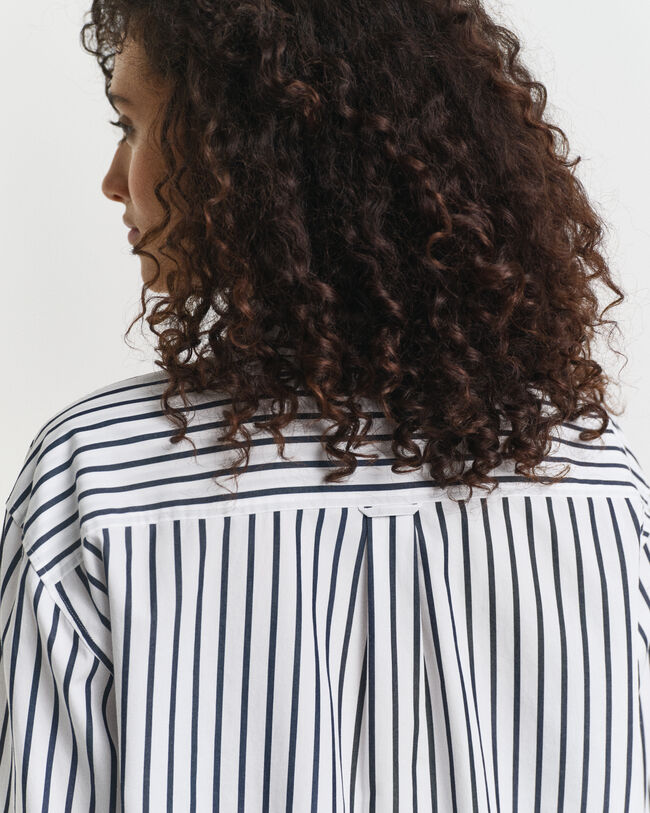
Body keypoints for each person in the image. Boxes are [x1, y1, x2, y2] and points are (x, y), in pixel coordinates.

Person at [2, 1, 649, 810]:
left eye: (131, 125)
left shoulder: (95, 481)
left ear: (240, 146)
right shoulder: (597, 483)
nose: (110, 180)